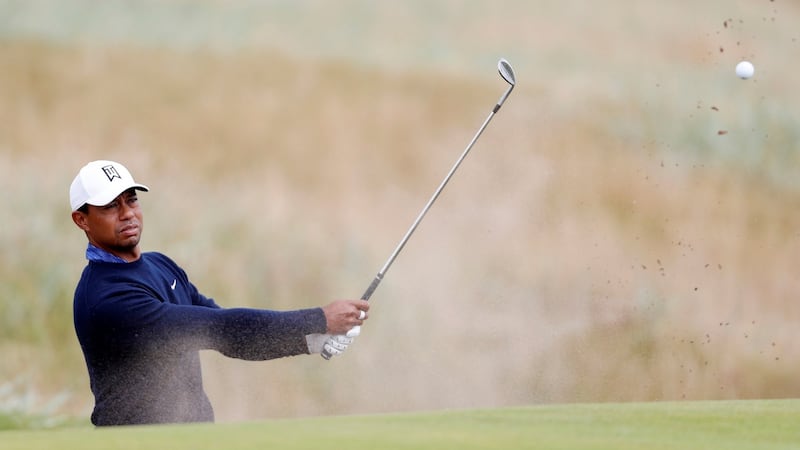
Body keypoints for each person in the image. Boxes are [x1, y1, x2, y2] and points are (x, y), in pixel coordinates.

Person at [69, 160, 369, 426]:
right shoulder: (107, 299)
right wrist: (318, 319)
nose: (127, 214)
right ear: (81, 219)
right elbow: (219, 328)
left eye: (131, 201)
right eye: (110, 206)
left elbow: (229, 333)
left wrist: (312, 341)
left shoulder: (161, 265)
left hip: (196, 438)